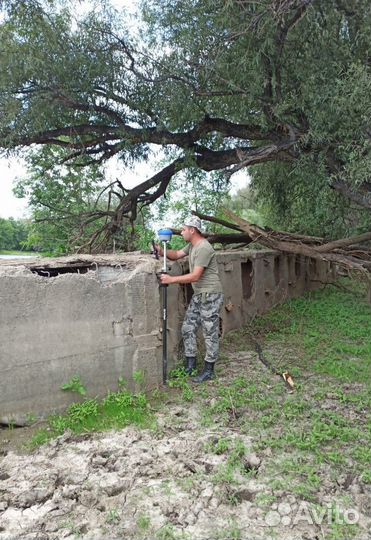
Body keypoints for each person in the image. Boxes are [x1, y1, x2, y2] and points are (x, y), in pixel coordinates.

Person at [157, 217, 224, 382]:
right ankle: (190, 366)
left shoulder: (204, 248)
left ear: (192, 230)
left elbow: (195, 276)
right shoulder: (192, 246)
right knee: (187, 328)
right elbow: (176, 255)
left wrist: (171, 280)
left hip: (210, 295)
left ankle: (209, 370)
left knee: (209, 332)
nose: (181, 232)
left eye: (184, 229)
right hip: (199, 294)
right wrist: (161, 251)